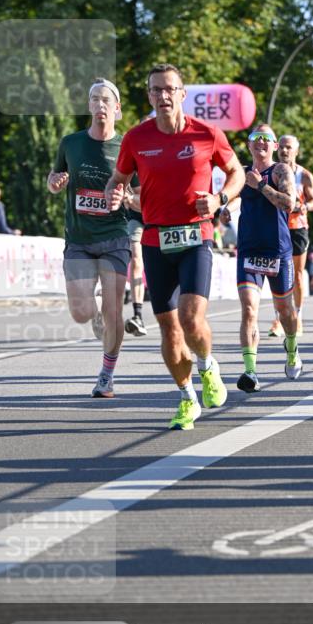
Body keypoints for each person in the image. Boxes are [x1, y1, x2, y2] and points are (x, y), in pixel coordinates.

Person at [105, 63, 245, 430]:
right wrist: (114, 192)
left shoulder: (207, 134)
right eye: (155, 90)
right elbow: (118, 179)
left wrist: (219, 200)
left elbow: (238, 173)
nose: (163, 96)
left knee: (190, 318)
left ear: (182, 94)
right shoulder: (136, 138)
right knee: (169, 330)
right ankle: (187, 398)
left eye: (169, 89)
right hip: (154, 239)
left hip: (196, 235)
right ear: (149, 96)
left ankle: (207, 365)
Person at [47, 79, 130, 398]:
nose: (99, 105)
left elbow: (139, 193)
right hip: (79, 238)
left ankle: (107, 375)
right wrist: (55, 183)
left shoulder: (127, 147)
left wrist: (126, 198)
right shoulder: (71, 143)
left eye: (106, 100)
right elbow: (54, 179)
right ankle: (94, 314)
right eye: (94, 99)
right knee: (81, 313)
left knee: (114, 310)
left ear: (117, 108)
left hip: (115, 237)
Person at [235, 124, 302, 393]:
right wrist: (225, 210)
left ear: (274, 146)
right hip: (249, 250)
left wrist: (261, 185)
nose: (261, 142)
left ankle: (292, 346)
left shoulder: (280, 171)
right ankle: (250, 372)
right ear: (249, 145)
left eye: (267, 139)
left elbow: (290, 203)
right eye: (256, 138)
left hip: (278, 251)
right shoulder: (240, 173)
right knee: (249, 309)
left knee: (285, 312)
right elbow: (229, 197)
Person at [268, 134, 313, 338]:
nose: (284, 150)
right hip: (277, 227)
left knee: (296, 275)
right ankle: (279, 319)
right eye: (281, 147)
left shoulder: (304, 175)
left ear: (296, 151)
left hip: (298, 228)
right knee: (275, 273)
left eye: (289, 147)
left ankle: (297, 316)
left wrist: (304, 206)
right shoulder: (272, 173)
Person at [123, 181, 147, 336]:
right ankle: (138, 315)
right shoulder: (132, 163)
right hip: (136, 218)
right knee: (136, 260)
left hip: (162, 218)